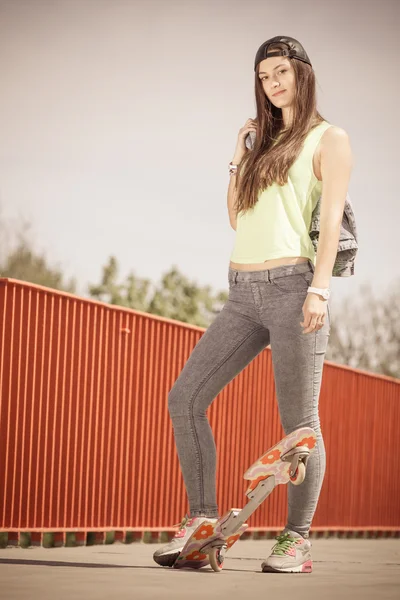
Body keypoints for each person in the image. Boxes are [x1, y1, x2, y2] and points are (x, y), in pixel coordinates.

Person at [153, 35, 353, 573]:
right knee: (184, 398)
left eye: (282, 71)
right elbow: (239, 218)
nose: (273, 83)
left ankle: (296, 539)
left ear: (303, 74)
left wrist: (320, 289)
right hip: (242, 292)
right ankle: (200, 522)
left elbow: (330, 220)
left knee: (300, 425)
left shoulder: (329, 139)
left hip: (295, 288)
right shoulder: (264, 145)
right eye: (264, 76)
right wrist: (237, 159)